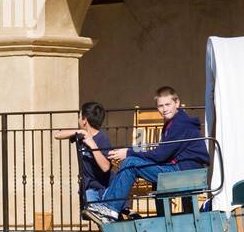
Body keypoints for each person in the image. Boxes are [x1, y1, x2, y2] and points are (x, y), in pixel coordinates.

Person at [105, 86, 209, 217]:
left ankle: (109, 209)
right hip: (185, 171)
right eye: (160, 106)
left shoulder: (179, 124)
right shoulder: (174, 122)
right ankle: (162, 219)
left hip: (185, 173)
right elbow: (157, 153)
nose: (164, 109)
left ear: (177, 103)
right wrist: (134, 152)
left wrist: (128, 153)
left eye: (168, 104)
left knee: (130, 163)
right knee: (133, 163)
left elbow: (160, 155)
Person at [54, 102, 116, 224]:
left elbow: (105, 167)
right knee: (94, 216)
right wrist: (80, 132)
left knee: (106, 221)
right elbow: (57, 135)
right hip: (89, 186)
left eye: (79, 116)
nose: (78, 119)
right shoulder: (81, 136)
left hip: (104, 187)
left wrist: (92, 145)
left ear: (84, 120)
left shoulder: (102, 139)